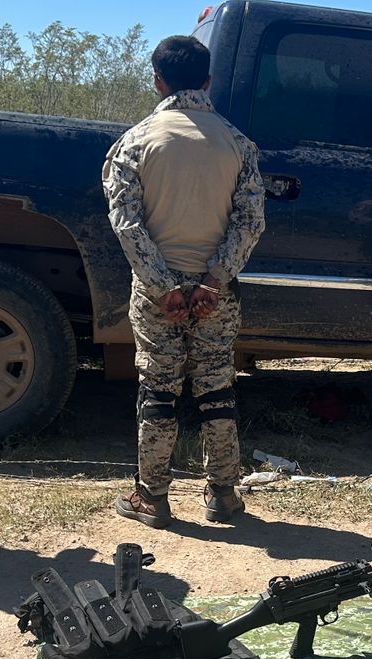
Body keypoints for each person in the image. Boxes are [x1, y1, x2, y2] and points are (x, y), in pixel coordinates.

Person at [101, 35, 265, 528]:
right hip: (217, 295)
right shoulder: (238, 144)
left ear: (158, 81)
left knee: (159, 388)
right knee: (216, 386)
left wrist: (163, 287)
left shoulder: (134, 143)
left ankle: (151, 497)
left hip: (159, 297)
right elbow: (250, 222)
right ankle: (223, 495)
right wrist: (213, 281)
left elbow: (127, 223)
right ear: (208, 81)